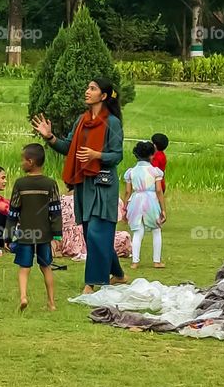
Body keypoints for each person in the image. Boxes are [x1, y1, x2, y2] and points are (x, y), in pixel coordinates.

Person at [32, 77, 126, 294]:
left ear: (103, 96)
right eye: (88, 87)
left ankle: (92, 283)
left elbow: (117, 156)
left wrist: (96, 155)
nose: (87, 91)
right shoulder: (81, 120)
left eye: (92, 89)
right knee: (91, 233)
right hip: (84, 184)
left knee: (96, 233)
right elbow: (69, 147)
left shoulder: (112, 122)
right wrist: (50, 137)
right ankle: (118, 275)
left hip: (102, 185)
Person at [8, 144, 62, 311]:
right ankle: (51, 303)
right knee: (46, 267)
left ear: (30, 162)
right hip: (44, 235)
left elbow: (13, 211)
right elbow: (55, 210)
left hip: (25, 235)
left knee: (24, 269)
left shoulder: (20, 184)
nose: (21, 163)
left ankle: (23, 297)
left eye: (23, 160)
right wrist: (57, 235)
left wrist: (8, 235)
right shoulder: (50, 184)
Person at [124, 140, 167, 269]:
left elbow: (127, 191)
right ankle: (156, 261)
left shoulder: (131, 172)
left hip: (136, 200)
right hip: (151, 201)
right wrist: (163, 209)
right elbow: (159, 190)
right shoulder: (155, 172)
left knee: (137, 231)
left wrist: (125, 207)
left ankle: (135, 262)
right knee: (156, 230)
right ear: (152, 155)